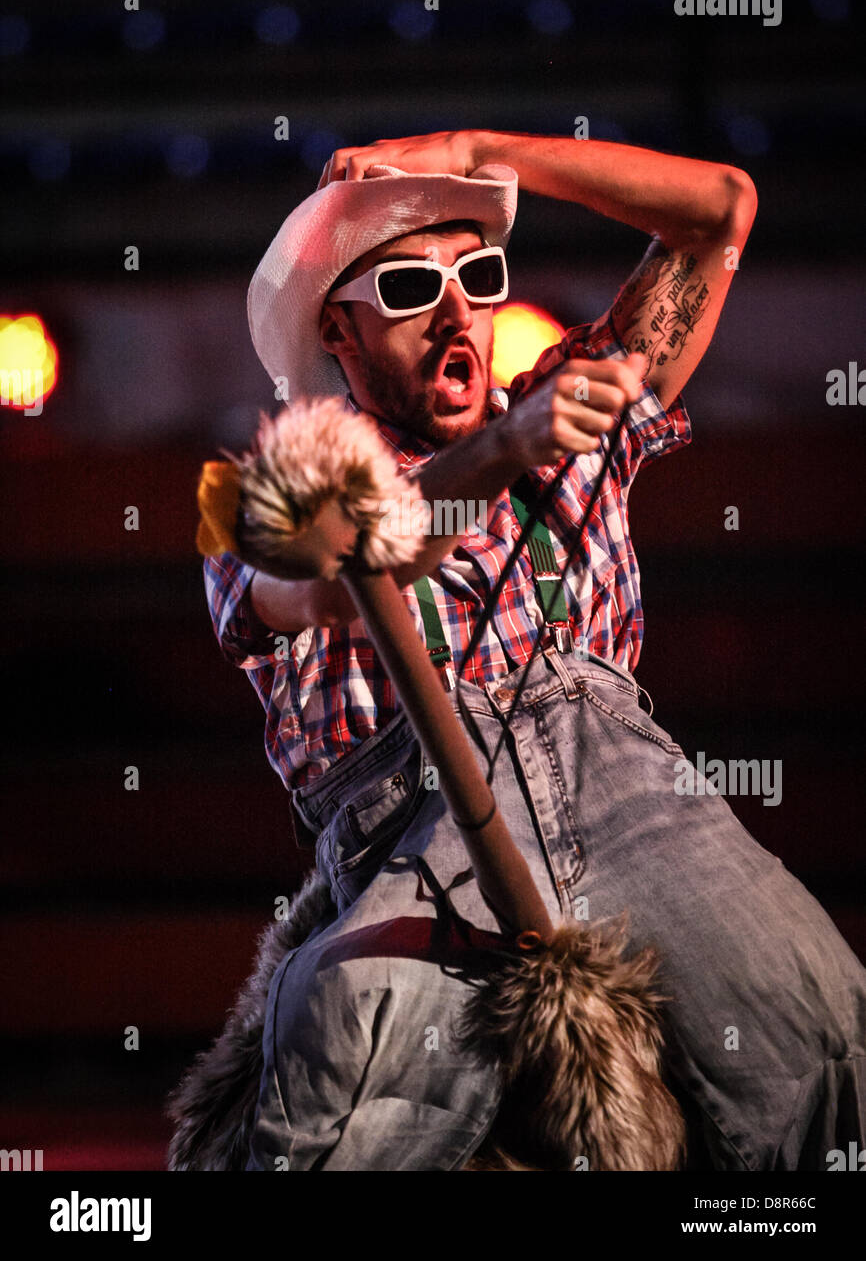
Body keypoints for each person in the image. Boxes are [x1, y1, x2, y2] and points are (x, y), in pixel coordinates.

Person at [202, 130, 866, 1170]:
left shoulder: (574, 413)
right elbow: (335, 579)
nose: (459, 305)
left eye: (479, 274)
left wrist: (477, 148)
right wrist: (507, 448)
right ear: (338, 324)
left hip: (632, 794)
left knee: (815, 1018)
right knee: (348, 1067)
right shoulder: (267, 486)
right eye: (414, 283)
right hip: (408, 831)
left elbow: (719, 209)